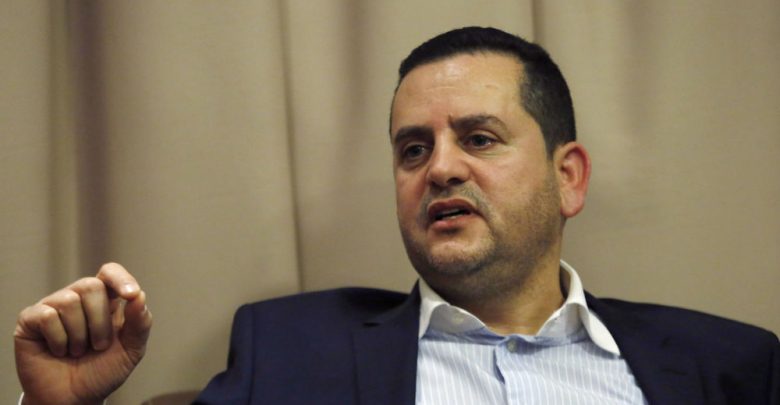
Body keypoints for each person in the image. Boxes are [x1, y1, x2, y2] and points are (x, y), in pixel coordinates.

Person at [14, 27, 779, 405]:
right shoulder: (287, 352)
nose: (439, 168)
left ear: (567, 176)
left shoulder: (732, 366)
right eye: (414, 149)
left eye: (479, 138)